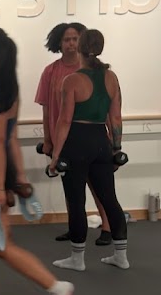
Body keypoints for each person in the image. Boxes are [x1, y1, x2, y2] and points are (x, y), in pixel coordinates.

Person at [0, 26, 74, 295]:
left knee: (0, 244)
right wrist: (21, 178)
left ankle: (57, 287)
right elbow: (11, 139)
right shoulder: (5, 91)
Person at [49, 29, 128, 272]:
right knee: (109, 199)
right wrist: (116, 150)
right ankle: (121, 256)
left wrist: (55, 156)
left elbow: (64, 121)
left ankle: (77, 259)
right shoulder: (111, 77)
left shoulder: (71, 80)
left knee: (76, 201)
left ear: (80, 48)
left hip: (77, 143)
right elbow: (115, 118)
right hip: (101, 142)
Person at [35, 22, 112, 245]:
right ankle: (75, 228)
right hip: (62, 138)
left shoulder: (93, 71)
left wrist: (110, 138)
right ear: (59, 43)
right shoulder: (50, 72)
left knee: (97, 186)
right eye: (66, 39)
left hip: (88, 137)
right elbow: (47, 109)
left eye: (75, 39)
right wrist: (49, 140)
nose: (71, 43)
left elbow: (107, 106)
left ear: (82, 42)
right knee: (72, 188)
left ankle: (107, 227)